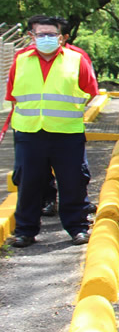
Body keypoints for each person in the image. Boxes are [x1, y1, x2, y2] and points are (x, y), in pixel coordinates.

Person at [6, 15, 96, 248]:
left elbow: (90, 91)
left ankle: (77, 228)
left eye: (51, 34)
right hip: (29, 132)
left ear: (60, 37)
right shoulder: (20, 60)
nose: (46, 38)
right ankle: (25, 230)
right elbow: (13, 95)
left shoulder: (76, 59)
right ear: (31, 36)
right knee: (29, 183)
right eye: (40, 34)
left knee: (72, 182)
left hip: (67, 133)